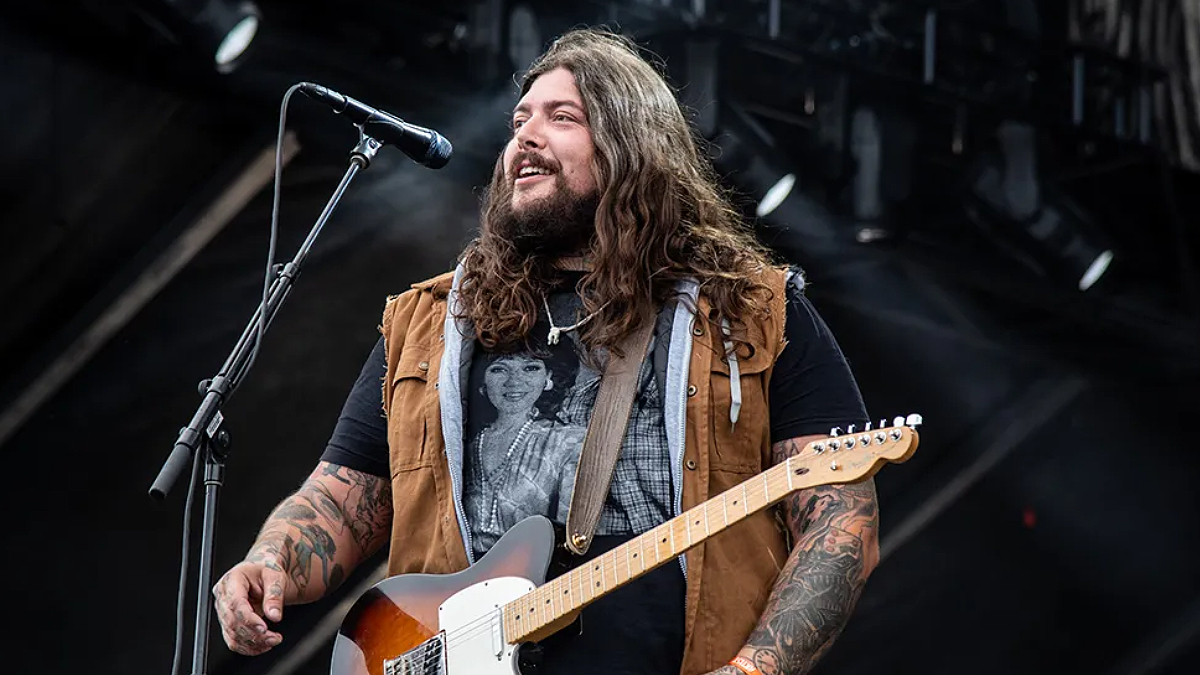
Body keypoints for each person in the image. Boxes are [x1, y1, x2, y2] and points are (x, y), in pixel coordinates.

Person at [213, 27, 877, 675]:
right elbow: (342, 501)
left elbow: (841, 524)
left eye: (563, 117)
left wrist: (756, 667)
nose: (525, 136)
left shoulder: (752, 311)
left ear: (632, 146)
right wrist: (271, 562)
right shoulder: (429, 325)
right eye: (519, 120)